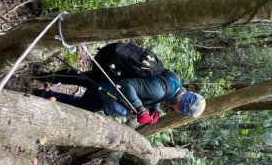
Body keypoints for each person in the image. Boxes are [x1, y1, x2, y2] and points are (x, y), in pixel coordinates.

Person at [39, 43, 206, 125]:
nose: (177, 112)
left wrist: (154, 109)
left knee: (83, 78)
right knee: (85, 105)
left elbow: (154, 82)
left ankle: (46, 76)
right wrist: (141, 109)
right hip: (111, 86)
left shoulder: (175, 82)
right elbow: (128, 86)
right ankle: (43, 96)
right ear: (182, 107)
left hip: (111, 74)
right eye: (182, 112)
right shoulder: (159, 92)